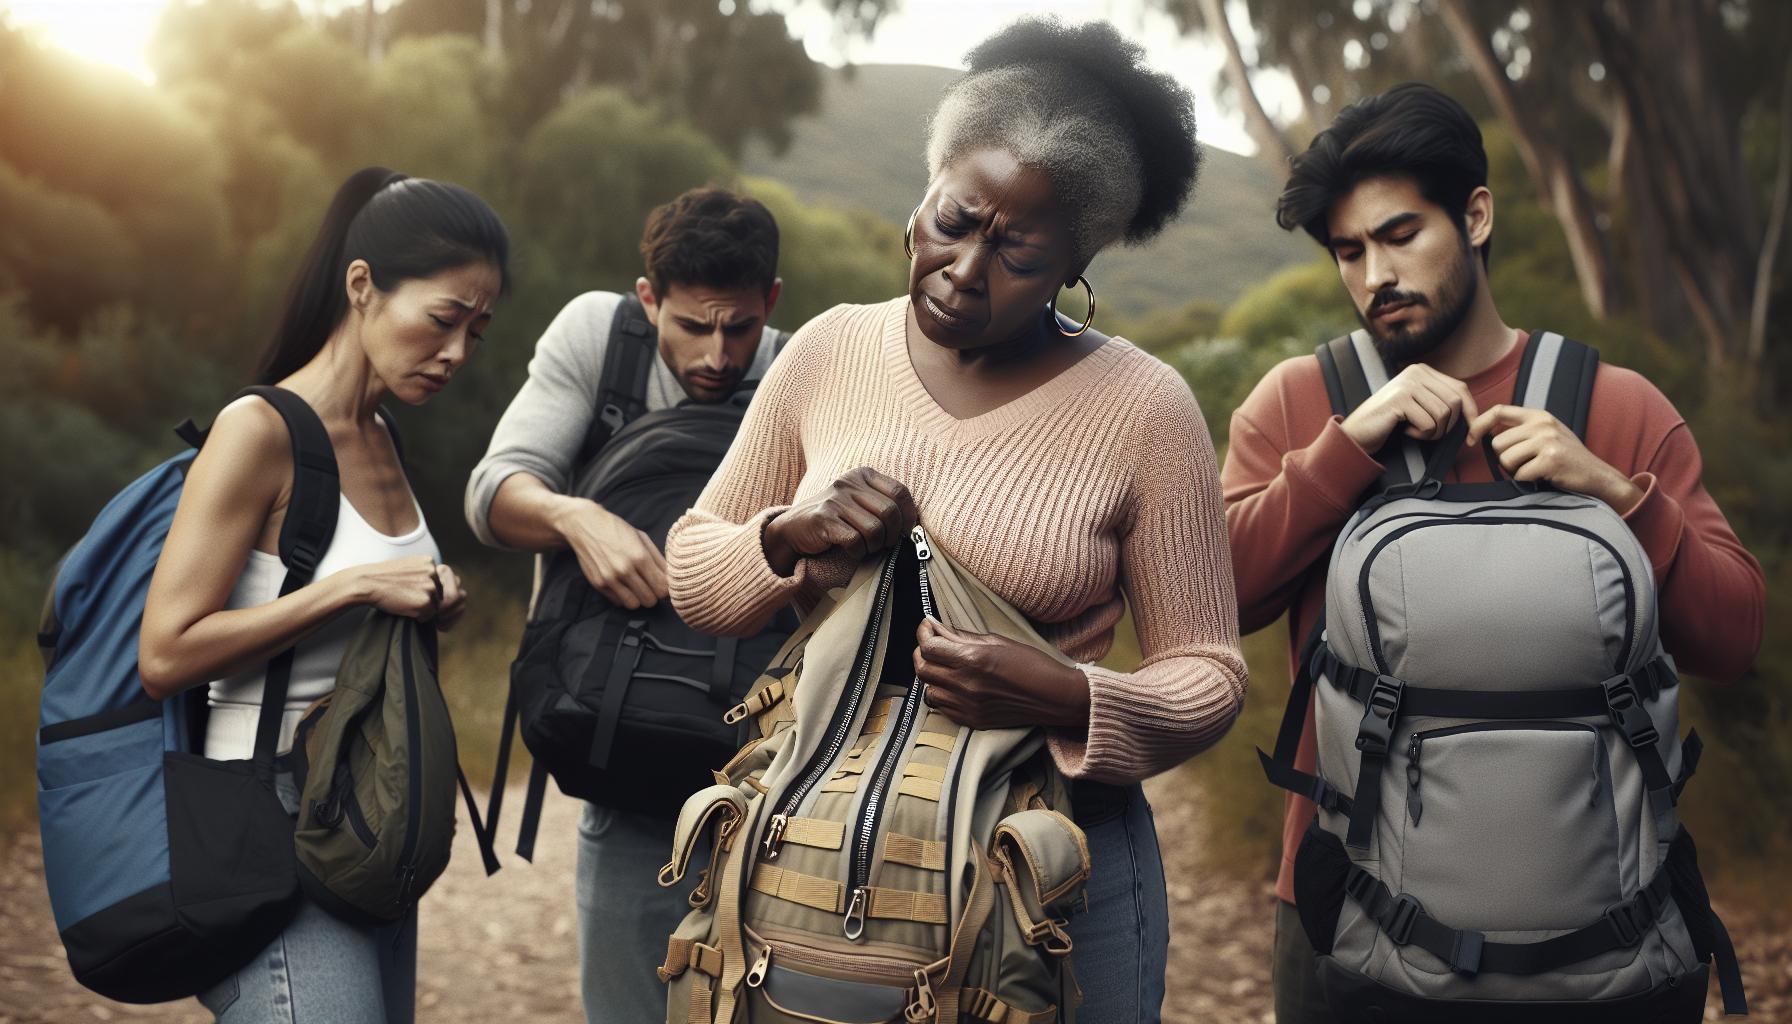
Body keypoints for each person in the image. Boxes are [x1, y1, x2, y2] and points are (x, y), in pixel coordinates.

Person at [663, 19, 1247, 1022]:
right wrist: (788, 533)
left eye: (1017, 250)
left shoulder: (1146, 409)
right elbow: (692, 568)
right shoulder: (830, 351)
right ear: (921, 200)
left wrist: (1064, 694)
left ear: (1074, 265)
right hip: (822, 854)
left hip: (1056, 870)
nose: (966, 268)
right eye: (954, 220)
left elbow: (1209, 672)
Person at [1219, 83, 1767, 1023]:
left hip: (1608, 928)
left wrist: (1614, 491)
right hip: (1346, 913)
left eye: (1400, 235)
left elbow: (1733, 636)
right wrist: (1346, 449)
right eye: (1349, 251)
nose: (1375, 274)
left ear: (1475, 216)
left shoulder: (1618, 406)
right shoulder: (1300, 402)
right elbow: (1216, 597)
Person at [137, 167, 510, 1023]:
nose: (457, 352)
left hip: (362, 813)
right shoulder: (258, 430)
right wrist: (353, 587)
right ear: (362, 285)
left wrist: (427, 598)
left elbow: (362, 605)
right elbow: (165, 653)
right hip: (265, 820)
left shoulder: (383, 436)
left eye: (477, 332)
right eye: (443, 320)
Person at [463, 187, 785, 1022]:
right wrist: (579, 519)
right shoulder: (598, 339)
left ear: (772, 302)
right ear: (648, 299)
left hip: (771, 761)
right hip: (623, 740)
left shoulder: (802, 368)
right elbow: (493, 495)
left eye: (741, 328)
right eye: (693, 326)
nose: (718, 354)